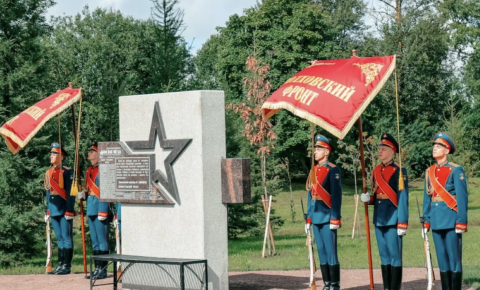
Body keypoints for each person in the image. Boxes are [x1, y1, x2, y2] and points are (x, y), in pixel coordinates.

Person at [360, 133, 409, 290]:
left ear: (391, 151)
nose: (379, 151)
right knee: (384, 256)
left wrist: (402, 222)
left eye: (383, 149)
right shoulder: (375, 171)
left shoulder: (400, 171)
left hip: (393, 219)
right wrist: (368, 199)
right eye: (379, 148)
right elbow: (376, 196)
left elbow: (402, 198)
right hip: (379, 218)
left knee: (395, 257)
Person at [422, 132, 467, 290]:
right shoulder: (429, 172)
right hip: (435, 221)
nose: (434, 148)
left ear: (447, 151)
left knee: (454, 259)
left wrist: (461, 222)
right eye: (434, 146)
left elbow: (462, 198)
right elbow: (427, 199)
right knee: (442, 259)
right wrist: (426, 220)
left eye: (439, 146)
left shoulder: (456, 170)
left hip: (451, 220)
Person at [305, 134, 342, 290]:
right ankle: (326, 284)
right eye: (315, 149)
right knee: (321, 251)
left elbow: (337, 196)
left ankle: (334, 284)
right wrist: (308, 218)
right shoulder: (313, 170)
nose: (315, 152)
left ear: (326, 152)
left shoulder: (333, 170)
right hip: (316, 216)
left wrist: (335, 218)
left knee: (331, 252)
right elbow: (310, 196)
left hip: (327, 217)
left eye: (318, 149)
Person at [78, 141, 110, 280]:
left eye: (92, 151)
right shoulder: (88, 170)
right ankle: (97, 268)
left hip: (99, 208)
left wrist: (103, 210)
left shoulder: (104, 169)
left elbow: (105, 191)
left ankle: (102, 270)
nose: (89, 153)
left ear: (98, 154)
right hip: (91, 207)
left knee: (102, 240)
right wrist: (82, 195)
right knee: (95, 240)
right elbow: (88, 190)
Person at [44, 142, 75, 275]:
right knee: (59, 238)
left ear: (61, 156)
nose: (51, 155)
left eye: (54, 153)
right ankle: (60, 265)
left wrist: (70, 209)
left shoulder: (67, 171)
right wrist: (47, 209)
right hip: (54, 208)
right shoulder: (48, 172)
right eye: (51, 153)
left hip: (64, 209)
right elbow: (47, 192)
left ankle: (66, 266)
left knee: (66, 237)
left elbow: (70, 193)